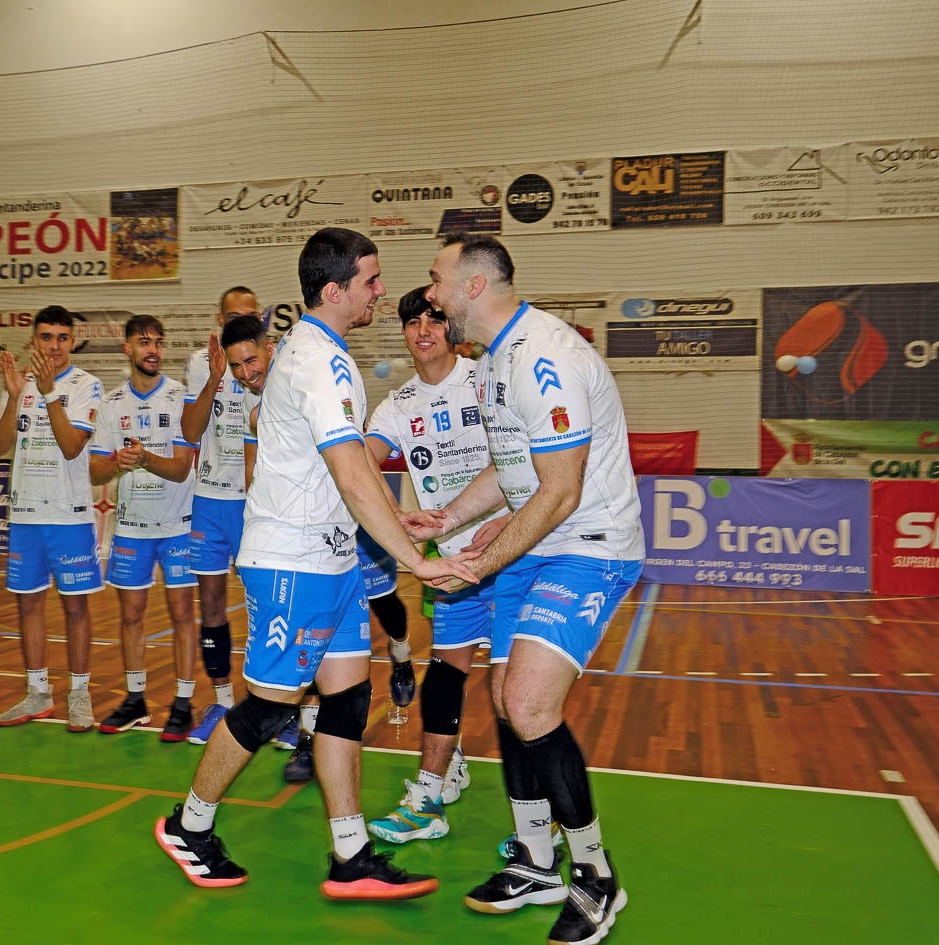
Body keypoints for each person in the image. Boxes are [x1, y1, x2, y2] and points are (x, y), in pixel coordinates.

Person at [153, 227, 476, 900]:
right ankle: (189, 825)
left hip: (332, 561)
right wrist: (414, 558)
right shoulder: (320, 362)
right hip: (291, 562)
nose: (380, 291)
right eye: (371, 281)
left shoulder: (321, 354)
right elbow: (352, 472)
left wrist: (401, 523)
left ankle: (350, 851)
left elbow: (350, 471)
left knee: (348, 697)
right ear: (334, 291)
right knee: (269, 708)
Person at [416, 234, 643, 941]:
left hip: (585, 545)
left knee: (528, 700)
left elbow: (562, 490)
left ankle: (597, 876)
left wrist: (479, 564)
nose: (429, 294)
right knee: (504, 697)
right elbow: (514, 466)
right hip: (533, 544)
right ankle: (537, 858)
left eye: (435, 280)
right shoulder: (491, 362)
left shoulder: (545, 356)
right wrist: (452, 517)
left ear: (475, 286)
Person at [363, 286, 509, 843]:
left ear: (453, 327)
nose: (423, 330)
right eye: (412, 322)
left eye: (434, 319)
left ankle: (544, 816)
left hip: (515, 550)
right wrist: (393, 513)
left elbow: (523, 460)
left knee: (517, 689)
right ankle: (427, 796)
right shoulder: (397, 405)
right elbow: (361, 461)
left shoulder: (486, 378)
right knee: (446, 676)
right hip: (452, 564)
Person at [0, 306, 104, 731]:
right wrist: (16, 394)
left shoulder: (86, 385)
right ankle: (37, 693)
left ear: (71, 342)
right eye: (45, 337)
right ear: (33, 341)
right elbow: (0, 445)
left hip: (69, 517)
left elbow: (73, 445)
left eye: (61, 337)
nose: (53, 346)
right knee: (29, 605)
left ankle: (79, 695)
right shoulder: (18, 385)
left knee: (76, 608)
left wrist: (49, 392)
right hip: (24, 515)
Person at [88, 314, 199, 740]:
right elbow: (97, 474)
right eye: (143, 342)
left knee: (181, 614)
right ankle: (135, 700)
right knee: (131, 614)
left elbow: (182, 469)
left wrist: (146, 459)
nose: (151, 350)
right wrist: (118, 461)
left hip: (177, 524)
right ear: (127, 349)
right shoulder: (113, 404)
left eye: (157, 342)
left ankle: (183, 703)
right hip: (132, 527)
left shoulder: (180, 397)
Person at [178, 287, 260, 744]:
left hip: (254, 503)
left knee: (264, 605)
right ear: (219, 317)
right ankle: (224, 701)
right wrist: (212, 379)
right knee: (210, 605)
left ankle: (269, 705)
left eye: (246, 317)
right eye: (231, 316)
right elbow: (190, 432)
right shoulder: (199, 362)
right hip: (208, 500)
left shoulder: (268, 364)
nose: (237, 323)